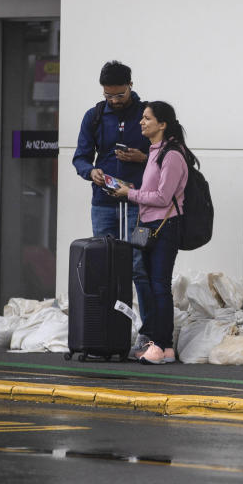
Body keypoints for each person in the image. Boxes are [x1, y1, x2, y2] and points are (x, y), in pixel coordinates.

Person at [72, 60, 150, 345]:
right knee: (103, 265)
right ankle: (105, 330)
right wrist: (90, 171)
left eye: (120, 95)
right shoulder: (93, 116)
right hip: (103, 204)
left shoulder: (146, 114)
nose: (114, 101)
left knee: (141, 264)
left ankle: (147, 335)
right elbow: (80, 157)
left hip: (140, 204)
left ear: (131, 85)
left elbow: (167, 152)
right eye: (109, 95)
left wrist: (142, 157)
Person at [114, 101, 193, 365]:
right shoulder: (155, 151)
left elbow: (162, 196)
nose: (141, 122)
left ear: (163, 124)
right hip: (149, 227)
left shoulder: (171, 154)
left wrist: (130, 193)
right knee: (150, 284)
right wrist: (128, 188)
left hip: (163, 228)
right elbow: (153, 190)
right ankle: (165, 347)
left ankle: (159, 345)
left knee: (159, 286)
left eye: (147, 118)